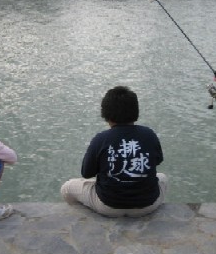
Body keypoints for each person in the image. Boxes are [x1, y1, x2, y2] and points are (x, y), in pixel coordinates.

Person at [61, 86, 167, 217]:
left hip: (108, 205)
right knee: (163, 177)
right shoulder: (149, 135)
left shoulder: (101, 139)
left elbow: (86, 173)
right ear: (135, 112)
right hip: (148, 204)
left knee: (67, 187)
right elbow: (157, 161)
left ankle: (82, 217)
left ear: (106, 115)